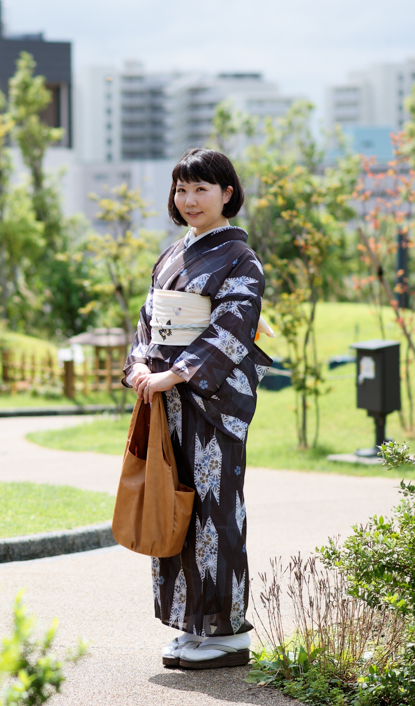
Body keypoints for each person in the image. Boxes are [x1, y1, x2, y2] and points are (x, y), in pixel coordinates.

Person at [123, 147, 272, 670]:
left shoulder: (240, 259)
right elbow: (148, 321)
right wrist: (142, 365)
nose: (188, 200)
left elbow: (231, 326)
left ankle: (226, 632)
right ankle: (190, 624)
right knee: (174, 508)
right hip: (168, 403)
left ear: (227, 193)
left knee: (214, 513)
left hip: (210, 403)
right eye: (181, 189)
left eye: (200, 189)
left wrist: (178, 371)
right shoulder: (172, 255)